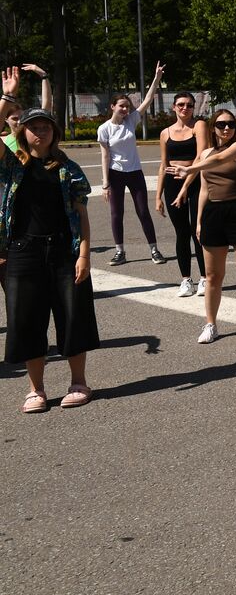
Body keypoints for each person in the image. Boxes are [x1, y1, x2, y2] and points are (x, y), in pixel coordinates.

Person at [1, 88, 97, 413]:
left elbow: (82, 215)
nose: (39, 131)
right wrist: (5, 100)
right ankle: (36, 390)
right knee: (26, 319)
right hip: (22, 251)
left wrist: (84, 254)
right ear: (22, 132)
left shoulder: (67, 168)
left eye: (45, 126)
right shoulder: (13, 164)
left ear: (54, 132)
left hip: (64, 251)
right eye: (33, 126)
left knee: (73, 316)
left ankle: (79, 382)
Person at [167, 109, 236, 344]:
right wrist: (198, 221)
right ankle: (211, 324)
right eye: (220, 124)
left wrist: (190, 169)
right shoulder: (206, 152)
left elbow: (219, 159)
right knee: (213, 276)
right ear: (213, 128)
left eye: (231, 124)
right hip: (212, 215)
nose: (226, 128)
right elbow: (205, 189)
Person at [97, 61, 167, 266]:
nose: (126, 109)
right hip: (116, 174)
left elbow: (147, 99)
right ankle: (120, 251)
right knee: (116, 214)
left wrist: (156, 79)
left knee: (143, 211)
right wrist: (105, 184)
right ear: (112, 107)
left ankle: (154, 249)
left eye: (127, 106)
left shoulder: (132, 120)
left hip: (135, 172)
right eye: (122, 106)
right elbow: (104, 156)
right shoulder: (104, 129)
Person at [155, 92, 209, 298]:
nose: (185, 108)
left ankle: (204, 278)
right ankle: (186, 279)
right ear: (174, 107)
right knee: (181, 232)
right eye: (180, 105)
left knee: (198, 230)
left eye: (189, 105)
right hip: (171, 184)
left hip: (195, 182)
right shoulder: (165, 133)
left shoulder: (199, 126)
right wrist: (158, 196)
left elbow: (200, 156)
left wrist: (186, 186)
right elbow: (163, 165)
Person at [2, 64, 51, 153]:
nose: (19, 121)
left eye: (21, 117)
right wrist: (7, 96)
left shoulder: (30, 138)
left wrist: (44, 76)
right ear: (5, 119)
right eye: (14, 118)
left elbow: (46, 108)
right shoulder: (3, 141)